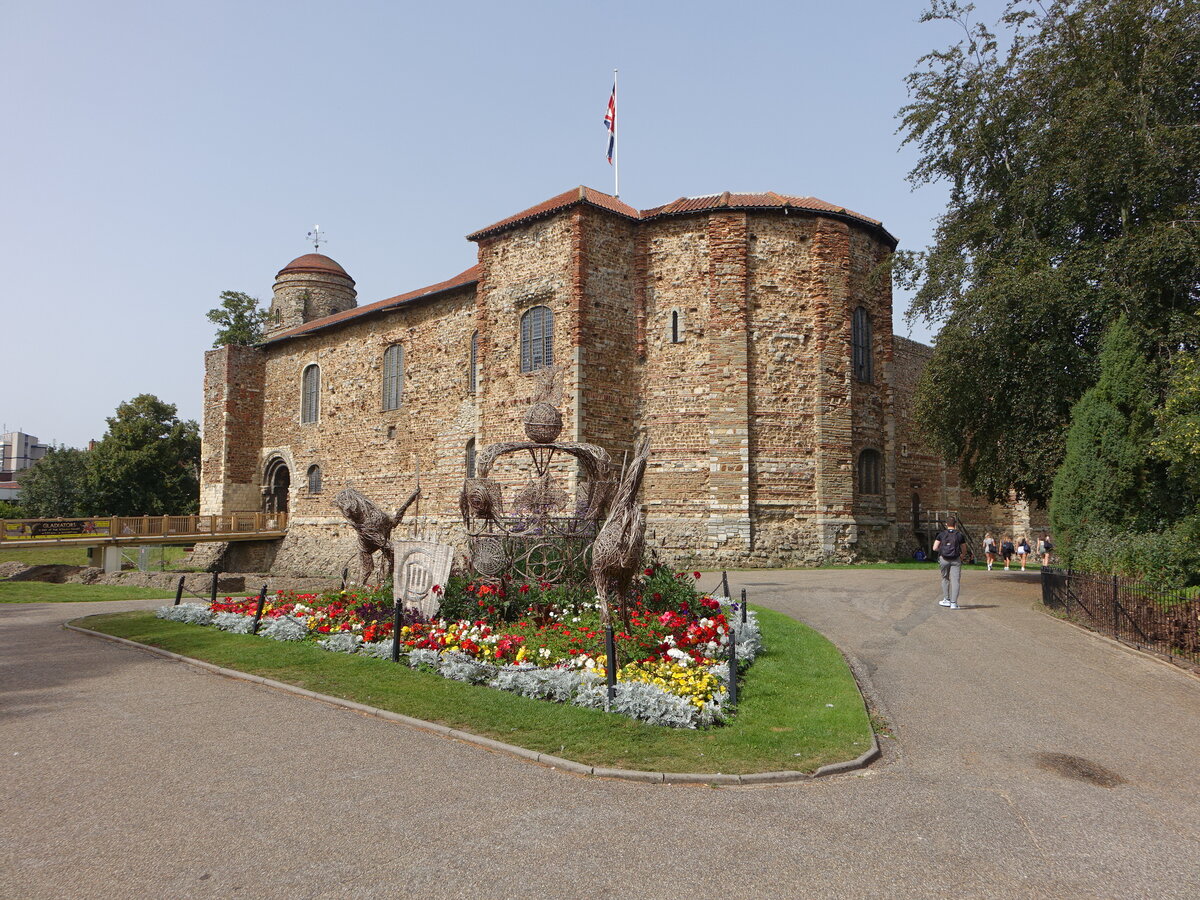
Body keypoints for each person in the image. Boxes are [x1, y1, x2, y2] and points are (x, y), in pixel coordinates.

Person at [933, 516, 967, 609]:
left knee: (945, 578)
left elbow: (935, 548)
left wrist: (942, 550)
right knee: (955, 580)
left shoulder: (941, 534)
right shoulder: (959, 535)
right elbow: (964, 548)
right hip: (956, 559)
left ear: (946, 524)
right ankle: (953, 603)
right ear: (955, 524)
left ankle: (946, 600)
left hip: (944, 559)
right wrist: (962, 555)